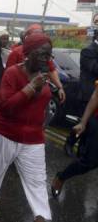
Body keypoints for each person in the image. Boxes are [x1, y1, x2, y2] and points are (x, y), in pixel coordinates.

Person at [0, 33, 54, 222]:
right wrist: (30, 88)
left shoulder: (45, 75)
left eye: (49, 55)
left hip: (34, 138)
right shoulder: (13, 72)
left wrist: (57, 89)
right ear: (28, 53)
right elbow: (6, 107)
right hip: (5, 133)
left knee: (37, 180)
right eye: (42, 54)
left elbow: (42, 103)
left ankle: (42, 216)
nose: (46, 59)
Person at [51, 47, 98, 199]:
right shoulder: (88, 52)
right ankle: (62, 176)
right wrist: (83, 122)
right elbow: (95, 97)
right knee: (89, 162)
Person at [6, 24, 66, 104]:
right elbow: (8, 78)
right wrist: (31, 86)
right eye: (35, 34)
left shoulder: (45, 54)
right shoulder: (15, 53)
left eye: (41, 34)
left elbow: (52, 70)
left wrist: (60, 87)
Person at [63, 30, 98, 157]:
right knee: (85, 123)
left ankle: (83, 152)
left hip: (96, 95)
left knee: (90, 127)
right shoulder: (89, 50)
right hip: (88, 95)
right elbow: (95, 68)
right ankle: (70, 143)